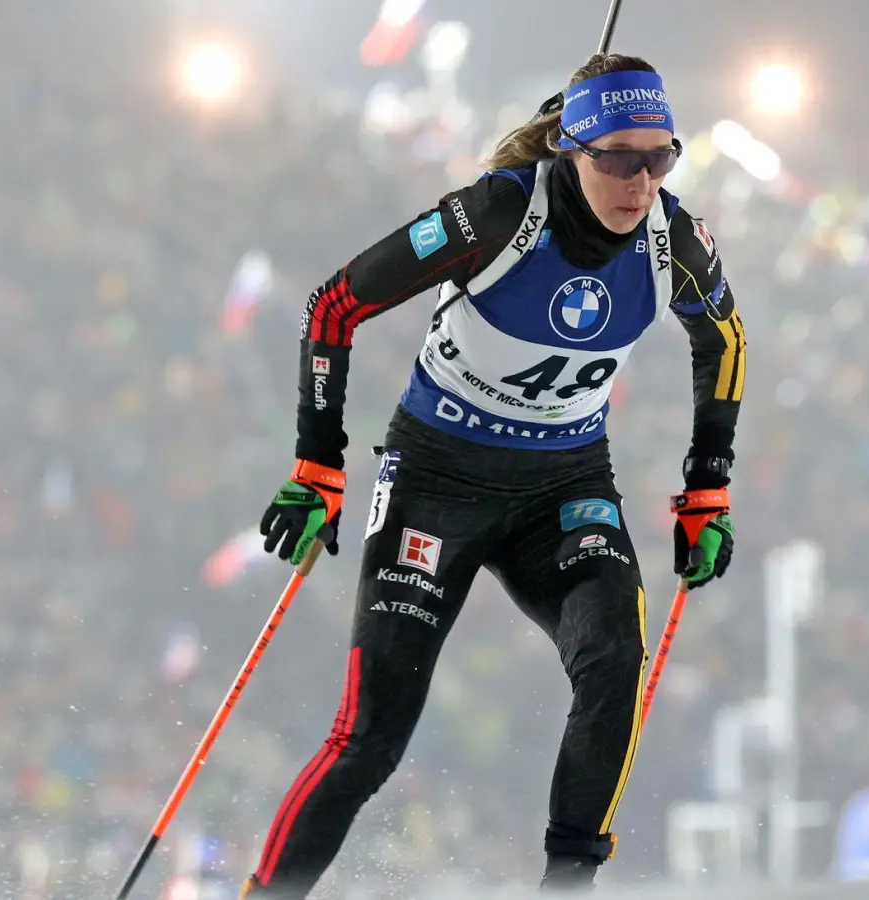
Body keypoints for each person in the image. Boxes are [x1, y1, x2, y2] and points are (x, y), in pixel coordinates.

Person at [239, 52, 746, 897]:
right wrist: (317, 463)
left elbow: (723, 341)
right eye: (620, 158)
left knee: (614, 660)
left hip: (563, 489)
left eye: (660, 158)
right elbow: (334, 305)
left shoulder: (675, 240)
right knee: (372, 737)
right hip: (436, 484)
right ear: (573, 149)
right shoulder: (498, 213)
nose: (642, 181)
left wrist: (708, 488)